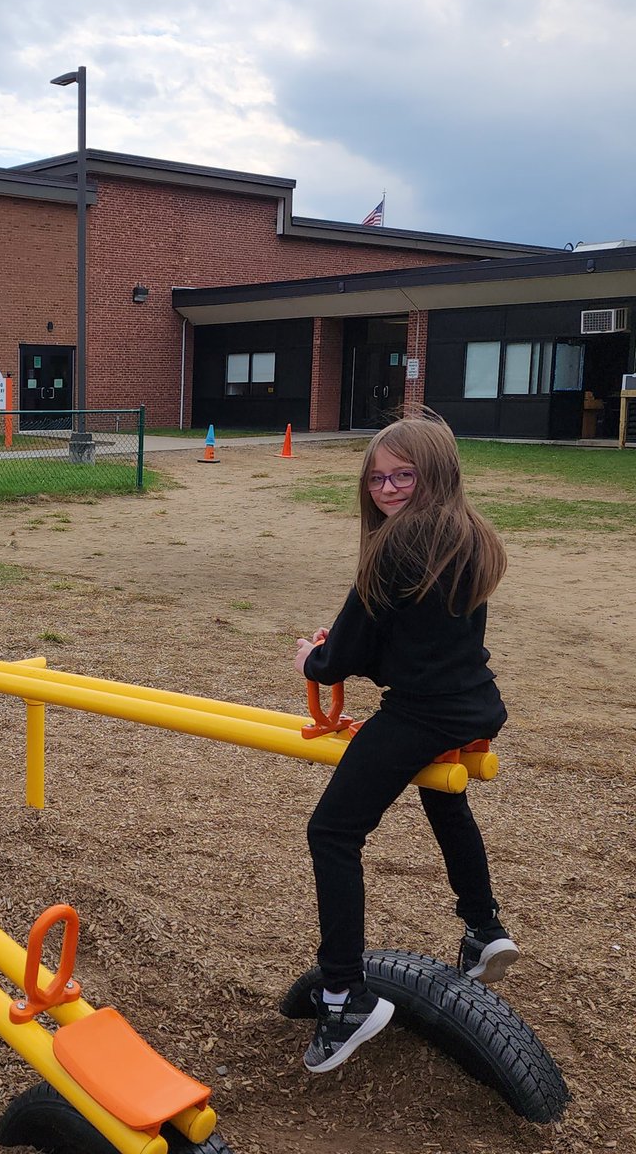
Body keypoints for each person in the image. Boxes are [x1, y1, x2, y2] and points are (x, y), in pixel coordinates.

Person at [291, 410, 518, 1074]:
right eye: (378, 478)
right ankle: (483, 928)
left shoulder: (395, 545)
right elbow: (421, 646)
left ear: (435, 475)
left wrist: (313, 659)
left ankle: (343, 998)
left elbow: (346, 654)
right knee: (446, 800)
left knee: (332, 832)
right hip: (474, 704)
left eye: (404, 476)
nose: (387, 489)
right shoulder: (469, 537)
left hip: (423, 712)